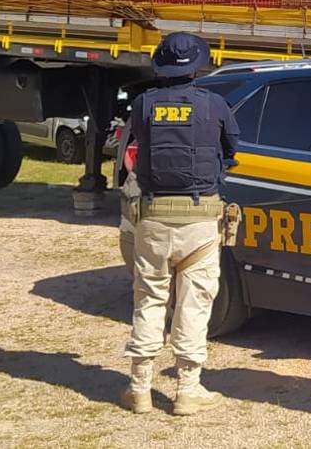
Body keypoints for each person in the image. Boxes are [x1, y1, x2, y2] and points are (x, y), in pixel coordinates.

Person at [121, 32, 239, 416]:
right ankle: (187, 390)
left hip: (152, 217)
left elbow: (135, 142)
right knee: (194, 303)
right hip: (201, 220)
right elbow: (232, 149)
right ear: (197, 65)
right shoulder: (215, 105)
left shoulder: (143, 104)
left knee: (150, 299)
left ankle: (139, 388)